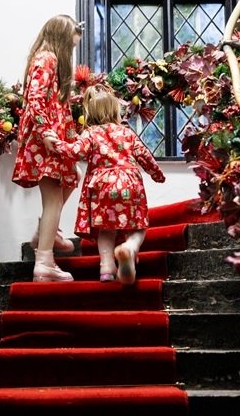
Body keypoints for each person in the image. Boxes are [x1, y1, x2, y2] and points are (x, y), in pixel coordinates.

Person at [44, 85, 166, 284]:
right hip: (129, 183)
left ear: (89, 112)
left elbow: (74, 151)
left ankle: (107, 268)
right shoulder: (126, 133)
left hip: (102, 186)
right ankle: (131, 247)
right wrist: (157, 175)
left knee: (106, 230)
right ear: (115, 110)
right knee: (137, 226)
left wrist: (55, 142)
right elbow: (144, 155)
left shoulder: (90, 134)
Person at [11, 15, 84, 282]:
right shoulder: (47, 59)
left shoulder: (50, 61)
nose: (71, 52)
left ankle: (46, 230)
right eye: (71, 46)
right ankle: (44, 263)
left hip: (53, 140)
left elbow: (58, 107)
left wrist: (71, 140)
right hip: (46, 142)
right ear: (61, 39)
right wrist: (46, 134)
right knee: (53, 197)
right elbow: (35, 100)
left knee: (73, 177)